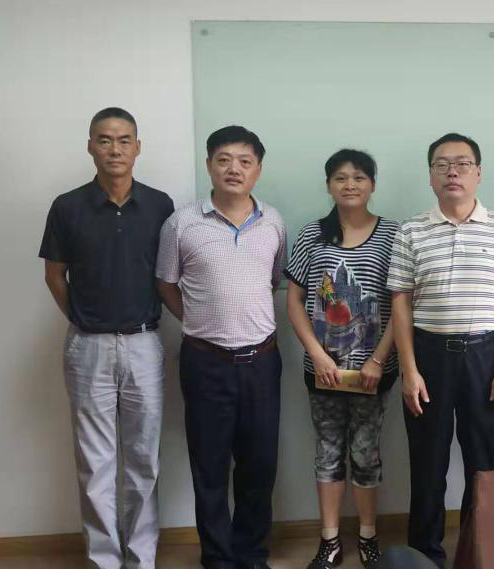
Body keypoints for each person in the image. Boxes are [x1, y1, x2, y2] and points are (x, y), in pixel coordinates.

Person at [39, 107, 174, 568]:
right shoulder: (67, 206)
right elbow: (54, 275)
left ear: (138, 147)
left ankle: (140, 559)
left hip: (144, 344)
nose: (114, 149)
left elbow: (168, 275)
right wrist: (83, 319)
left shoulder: (160, 205)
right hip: (88, 347)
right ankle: (105, 561)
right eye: (104, 139)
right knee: (95, 463)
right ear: (90, 146)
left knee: (143, 460)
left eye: (123, 140)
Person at [387, 133, 494, 568]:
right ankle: (425, 555)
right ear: (430, 175)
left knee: (482, 465)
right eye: (442, 164)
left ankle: (475, 553)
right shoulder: (411, 230)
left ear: (478, 173)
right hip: (428, 355)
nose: (452, 172)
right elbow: (400, 304)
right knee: (427, 463)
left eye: (462, 163)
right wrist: (409, 370)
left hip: (485, 357)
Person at [156, 125, 286, 569]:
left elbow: (273, 281)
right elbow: (165, 283)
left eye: (245, 161)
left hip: (262, 362)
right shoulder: (181, 223)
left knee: (259, 465)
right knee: (209, 466)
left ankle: (252, 555)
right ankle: (217, 557)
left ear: (258, 170)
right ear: (209, 164)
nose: (234, 169)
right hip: (205, 363)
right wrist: (196, 320)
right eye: (224, 159)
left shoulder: (273, 222)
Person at [285, 149, 398, 569]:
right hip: (324, 371)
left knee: (366, 454)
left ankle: (368, 536)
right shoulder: (311, 235)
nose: (350, 184)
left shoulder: (393, 235)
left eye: (359, 177)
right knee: (327, 453)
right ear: (329, 185)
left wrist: (378, 359)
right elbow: (294, 301)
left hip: (374, 371)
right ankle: (329, 540)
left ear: (373, 184)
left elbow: (401, 305)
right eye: (340, 177)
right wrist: (317, 354)